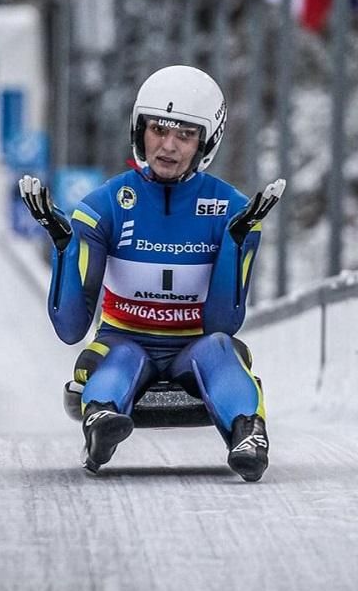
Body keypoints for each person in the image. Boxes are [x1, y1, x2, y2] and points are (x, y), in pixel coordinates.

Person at [19, 65, 284, 482]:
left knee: (222, 348)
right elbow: (70, 328)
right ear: (139, 130)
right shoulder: (104, 205)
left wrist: (235, 244)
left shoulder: (233, 211)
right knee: (117, 356)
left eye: (185, 135)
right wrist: (64, 246)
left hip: (194, 348)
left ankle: (248, 434)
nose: (168, 146)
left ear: (206, 142)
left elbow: (223, 323)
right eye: (158, 129)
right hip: (123, 341)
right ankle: (102, 420)